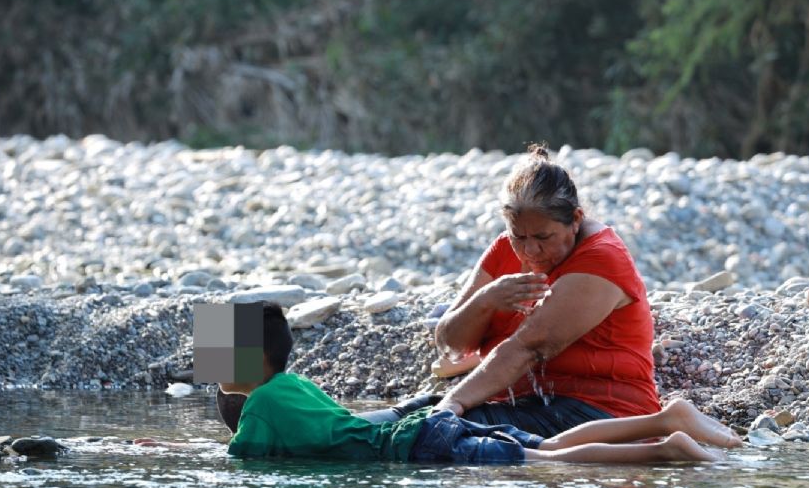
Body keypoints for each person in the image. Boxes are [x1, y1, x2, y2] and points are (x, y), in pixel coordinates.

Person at [136, 302, 740, 464]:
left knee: (548, 462)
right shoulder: (294, 388)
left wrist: (165, 452)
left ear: (244, 370)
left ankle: (664, 447)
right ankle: (667, 419)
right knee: (546, 448)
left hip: (420, 446)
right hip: (421, 428)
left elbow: (236, 460)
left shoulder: (261, 408)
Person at [431, 144, 660, 437]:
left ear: (576, 219)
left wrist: (453, 402)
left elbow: (530, 347)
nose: (530, 250)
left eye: (543, 237)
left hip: (603, 413)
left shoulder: (602, 258)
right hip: (527, 406)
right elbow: (450, 342)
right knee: (402, 421)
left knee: (435, 433)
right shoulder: (505, 248)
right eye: (519, 236)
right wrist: (485, 301)